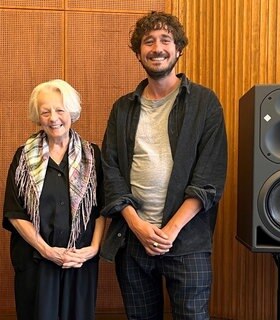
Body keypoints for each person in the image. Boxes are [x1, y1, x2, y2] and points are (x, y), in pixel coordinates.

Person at [100, 11, 228, 320]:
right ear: (138, 52)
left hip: (187, 239)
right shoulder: (122, 108)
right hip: (133, 240)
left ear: (179, 48)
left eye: (165, 40)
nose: (157, 47)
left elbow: (209, 176)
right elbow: (111, 169)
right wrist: (138, 226)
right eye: (149, 41)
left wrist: (169, 231)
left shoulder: (204, 103)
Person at [3, 79, 105, 320]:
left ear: (72, 112)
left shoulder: (93, 155)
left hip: (80, 262)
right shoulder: (23, 157)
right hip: (37, 262)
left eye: (60, 110)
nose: (53, 118)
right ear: (38, 117)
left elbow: (101, 209)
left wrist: (93, 249)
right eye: (45, 111)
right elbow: (15, 214)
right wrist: (47, 250)